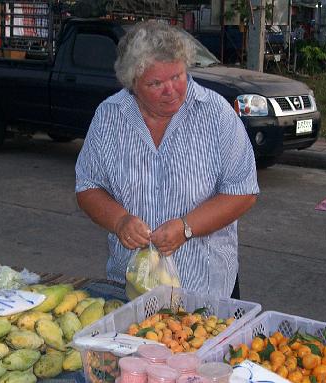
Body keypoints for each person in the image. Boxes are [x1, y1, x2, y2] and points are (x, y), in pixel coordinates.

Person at [75, 21, 259, 298]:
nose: (170, 90)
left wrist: (186, 227)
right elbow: (88, 187)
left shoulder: (216, 114)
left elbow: (242, 192)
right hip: (132, 287)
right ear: (132, 82)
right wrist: (120, 221)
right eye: (155, 83)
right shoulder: (109, 116)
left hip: (205, 288)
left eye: (177, 76)